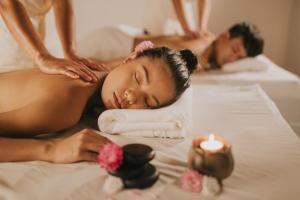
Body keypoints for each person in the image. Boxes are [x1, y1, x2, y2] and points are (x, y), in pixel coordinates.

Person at [0, 45, 198, 164]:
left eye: (148, 101)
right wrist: (52, 150)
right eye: (137, 77)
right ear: (129, 58)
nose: (132, 96)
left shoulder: (93, 71)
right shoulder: (67, 105)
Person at [0, 0, 104, 82]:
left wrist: (70, 52)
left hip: (46, 42)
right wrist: (42, 57)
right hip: (11, 40)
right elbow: (6, 2)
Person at [133, 22, 264, 71]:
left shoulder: (210, 57)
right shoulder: (199, 47)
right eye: (234, 50)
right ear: (224, 36)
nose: (232, 59)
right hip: (122, 43)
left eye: (239, 58)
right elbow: (143, 60)